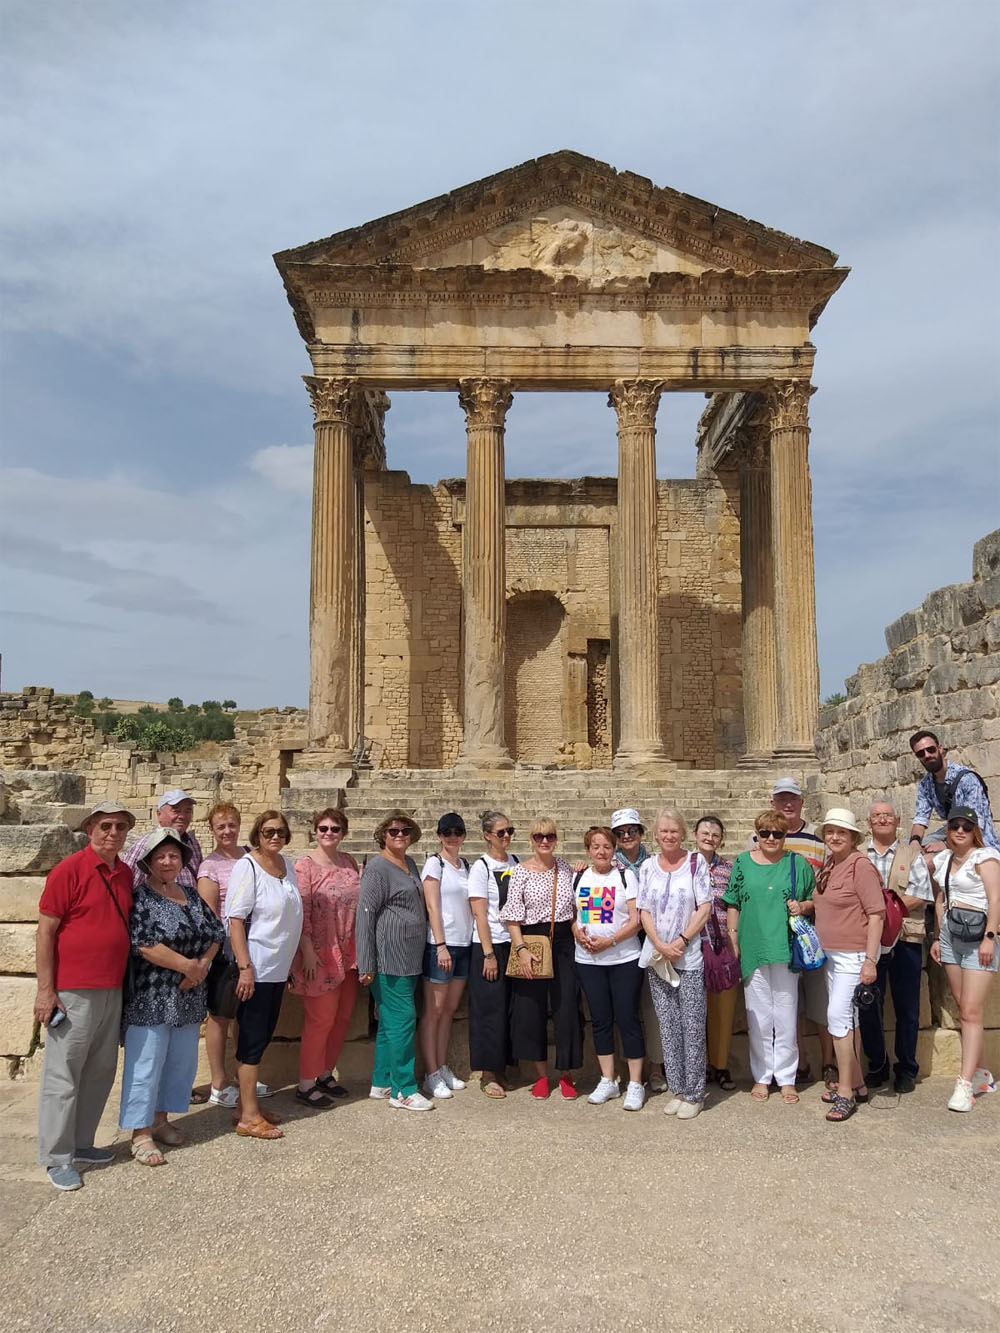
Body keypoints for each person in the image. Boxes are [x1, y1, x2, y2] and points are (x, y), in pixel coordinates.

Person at [35, 801, 136, 1191]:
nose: (113, 833)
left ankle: (81, 1143)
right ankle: (56, 1156)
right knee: (64, 1076)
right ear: (90, 828)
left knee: (99, 1071)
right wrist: (46, 990)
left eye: (121, 827)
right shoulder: (68, 871)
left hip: (112, 986)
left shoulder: (124, 873)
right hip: (73, 989)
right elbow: (46, 931)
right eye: (106, 826)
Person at [119, 827, 224, 1165]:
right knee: (146, 1062)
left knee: (179, 1062)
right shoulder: (141, 897)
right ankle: (140, 1132)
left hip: (189, 996)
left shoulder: (191, 894)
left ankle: (162, 1120)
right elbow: (144, 943)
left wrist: (203, 966)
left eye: (173, 855)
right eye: (161, 856)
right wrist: (188, 967)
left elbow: (215, 932)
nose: (167, 861)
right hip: (153, 995)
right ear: (149, 862)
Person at [723, 811, 816, 1103]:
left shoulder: (797, 863)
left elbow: (814, 899)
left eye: (777, 833)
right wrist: (733, 935)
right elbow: (733, 902)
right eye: (765, 833)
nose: (771, 838)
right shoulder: (742, 863)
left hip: (785, 945)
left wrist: (802, 906)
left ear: (785, 835)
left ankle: (786, 1077)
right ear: (757, 835)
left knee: (786, 1013)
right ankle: (762, 1075)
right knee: (758, 1015)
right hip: (753, 945)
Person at [750, 778, 833, 1087]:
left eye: (793, 799)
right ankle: (799, 1066)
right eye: (781, 799)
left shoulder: (818, 839)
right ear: (773, 803)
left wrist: (807, 907)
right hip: (774, 939)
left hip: (809, 936)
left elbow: (823, 886)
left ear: (801, 802)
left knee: (820, 1002)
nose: (787, 804)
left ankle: (829, 1063)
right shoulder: (755, 840)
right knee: (789, 1006)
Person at [226, 810, 303, 1138]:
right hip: (256, 967)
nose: (275, 837)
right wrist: (245, 968)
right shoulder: (248, 866)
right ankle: (248, 1117)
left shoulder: (288, 867)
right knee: (252, 1039)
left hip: (277, 968)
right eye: (269, 831)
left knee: (261, 1036)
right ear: (257, 834)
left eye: (281, 832)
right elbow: (236, 919)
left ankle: (247, 1107)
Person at [501, 817, 583, 1100]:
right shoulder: (520, 872)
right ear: (531, 839)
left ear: (556, 839)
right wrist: (522, 950)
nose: (544, 841)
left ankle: (566, 1073)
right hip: (532, 941)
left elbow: (573, 907)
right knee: (531, 1009)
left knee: (567, 1007)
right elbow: (512, 917)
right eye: (538, 836)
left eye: (549, 836)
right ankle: (541, 1075)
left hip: (562, 941)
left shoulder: (564, 868)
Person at [356, 810, 432, 1111]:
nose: (400, 835)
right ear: (382, 836)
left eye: (405, 830)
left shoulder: (409, 864)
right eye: (393, 831)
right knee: (403, 1021)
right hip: (389, 958)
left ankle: (382, 1081)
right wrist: (366, 963)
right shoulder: (377, 869)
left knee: (390, 1023)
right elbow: (365, 916)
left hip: (410, 957)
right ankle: (403, 1089)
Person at [638, 808, 712, 1119]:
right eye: (663, 830)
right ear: (656, 834)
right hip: (658, 956)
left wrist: (680, 941)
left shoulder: (696, 864)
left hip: (688, 953)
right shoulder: (647, 867)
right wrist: (660, 944)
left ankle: (695, 1092)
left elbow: (705, 907)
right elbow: (644, 910)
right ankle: (677, 1088)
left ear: (682, 833)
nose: (669, 835)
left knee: (692, 1025)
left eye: (674, 830)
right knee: (667, 1025)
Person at [812, 808, 885, 1123]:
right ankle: (857, 1083)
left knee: (837, 1018)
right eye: (830, 831)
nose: (834, 837)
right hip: (832, 955)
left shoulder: (861, 866)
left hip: (853, 956)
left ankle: (845, 1092)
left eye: (841, 832)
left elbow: (876, 915)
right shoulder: (832, 864)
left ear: (853, 836)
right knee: (848, 1022)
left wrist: (870, 960)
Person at [858, 799, 933, 1094]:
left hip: (905, 939)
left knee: (907, 1007)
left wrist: (886, 908)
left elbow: (921, 894)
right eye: (876, 816)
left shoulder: (911, 854)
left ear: (898, 821)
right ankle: (877, 1065)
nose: (882, 820)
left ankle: (906, 1068)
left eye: (887, 815)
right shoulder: (859, 855)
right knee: (869, 1004)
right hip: (869, 941)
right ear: (869, 823)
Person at [929, 807, 1000, 1112]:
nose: (960, 831)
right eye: (955, 825)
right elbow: (941, 899)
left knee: (971, 1010)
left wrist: (990, 937)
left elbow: (996, 899)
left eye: (966, 827)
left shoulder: (985, 858)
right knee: (963, 1007)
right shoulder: (944, 860)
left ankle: (964, 1084)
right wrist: (936, 936)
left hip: (979, 939)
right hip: (950, 936)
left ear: (975, 831)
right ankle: (983, 1072)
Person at [289, 807, 361, 1108]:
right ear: (315, 832)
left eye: (334, 829)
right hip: (318, 953)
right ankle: (305, 1083)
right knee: (320, 1020)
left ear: (343, 833)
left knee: (343, 1017)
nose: (329, 833)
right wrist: (306, 950)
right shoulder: (304, 866)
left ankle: (324, 1072)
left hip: (348, 950)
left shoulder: (349, 862)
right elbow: (301, 910)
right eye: (323, 828)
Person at [573, 825, 645, 1111]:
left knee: (627, 1018)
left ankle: (636, 1083)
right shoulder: (580, 876)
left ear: (614, 849)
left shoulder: (625, 877)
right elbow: (574, 916)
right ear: (588, 850)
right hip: (588, 960)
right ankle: (608, 1079)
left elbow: (635, 920)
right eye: (595, 846)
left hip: (624, 958)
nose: (601, 851)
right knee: (601, 1020)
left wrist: (610, 941)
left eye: (606, 846)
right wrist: (578, 933)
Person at [419, 813, 473, 1100]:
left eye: (458, 831)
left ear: (464, 835)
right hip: (442, 944)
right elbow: (432, 906)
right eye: (447, 831)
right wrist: (440, 945)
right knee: (434, 1011)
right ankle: (430, 1073)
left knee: (449, 1011)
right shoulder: (434, 863)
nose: (452, 836)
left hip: (463, 944)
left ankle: (441, 1066)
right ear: (439, 835)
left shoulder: (465, 865)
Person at [195, 801, 246, 1107]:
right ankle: (218, 1082)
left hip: (254, 947)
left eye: (231, 825)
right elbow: (209, 915)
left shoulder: (251, 856)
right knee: (220, 1016)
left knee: (245, 1016)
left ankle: (245, 1076)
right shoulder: (209, 866)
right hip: (226, 951)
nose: (227, 831)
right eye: (221, 826)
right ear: (213, 830)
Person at [610, 806, 664, 1092]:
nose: (627, 836)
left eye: (632, 830)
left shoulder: (656, 863)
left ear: (642, 833)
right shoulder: (608, 864)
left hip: (652, 939)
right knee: (624, 1008)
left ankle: (656, 1068)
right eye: (621, 832)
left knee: (652, 1006)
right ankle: (626, 1068)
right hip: (622, 941)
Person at [466, 810, 519, 1099]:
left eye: (510, 831)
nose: (507, 836)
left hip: (512, 943)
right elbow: (479, 913)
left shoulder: (516, 862)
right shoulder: (481, 868)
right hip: (489, 944)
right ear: (487, 835)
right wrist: (488, 954)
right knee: (489, 1008)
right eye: (501, 832)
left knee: (510, 1007)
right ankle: (487, 1073)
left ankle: (503, 1068)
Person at [695, 814, 738, 1093]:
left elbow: (733, 903)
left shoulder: (730, 868)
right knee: (695, 1008)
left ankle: (720, 1065)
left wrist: (733, 939)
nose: (709, 837)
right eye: (705, 833)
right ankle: (698, 1064)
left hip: (721, 943)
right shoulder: (685, 864)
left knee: (723, 1007)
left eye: (715, 834)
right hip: (691, 943)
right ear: (695, 835)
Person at [909, 729, 998, 852]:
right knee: (904, 850)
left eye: (930, 749)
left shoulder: (967, 779)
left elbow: (974, 823)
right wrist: (915, 841)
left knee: (929, 862)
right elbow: (920, 818)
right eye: (920, 753)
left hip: (977, 841)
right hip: (951, 834)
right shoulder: (926, 784)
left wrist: (945, 845)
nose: (927, 755)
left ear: (940, 749)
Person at [124, 789, 203, 889]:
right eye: (176, 811)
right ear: (159, 814)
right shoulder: (143, 845)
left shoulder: (192, 843)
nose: (182, 816)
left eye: (188, 811)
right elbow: (128, 886)